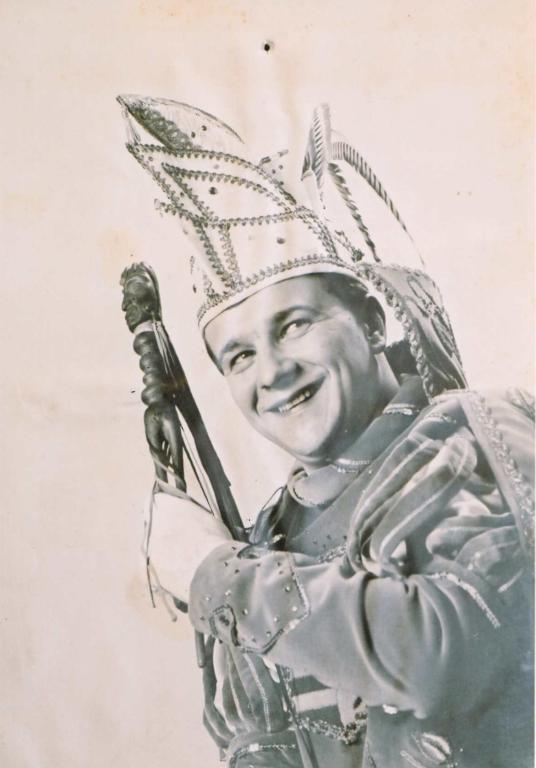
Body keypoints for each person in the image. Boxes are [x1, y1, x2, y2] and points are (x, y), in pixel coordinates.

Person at [119, 94, 534, 768]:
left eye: (294, 325)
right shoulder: (268, 535)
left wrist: (212, 571)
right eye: (239, 356)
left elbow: (438, 654)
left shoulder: (479, 434)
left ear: (372, 321)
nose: (273, 372)